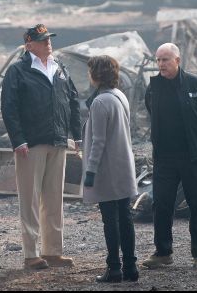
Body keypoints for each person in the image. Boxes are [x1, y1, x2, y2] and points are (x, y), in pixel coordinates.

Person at [1, 24, 81, 270]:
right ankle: (31, 254)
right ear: (29, 44)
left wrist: (76, 136)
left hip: (57, 140)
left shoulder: (60, 69)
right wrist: (18, 140)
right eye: (42, 40)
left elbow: (73, 102)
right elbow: (9, 107)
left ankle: (53, 251)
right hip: (31, 143)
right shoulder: (18, 71)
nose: (48, 43)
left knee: (54, 198)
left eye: (48, 39)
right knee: (31, 199)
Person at [142, 43, 197, 270]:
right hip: (165, 158)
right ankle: (163, 252)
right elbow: (151, 113)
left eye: (165, 60)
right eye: (158, 60)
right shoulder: (154, 88)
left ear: (177, 60)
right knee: (162, 204)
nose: (161, 65)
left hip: (195, 156)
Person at [82, 55, 139, 283]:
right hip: (123, 165)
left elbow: (98, 141)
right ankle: (131, 268)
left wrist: (90, 172)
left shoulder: (100, 102)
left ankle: (114, 268)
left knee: (110, 220)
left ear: (96, 74)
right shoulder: (119, 96)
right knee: (125, 217)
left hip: (107, 169)